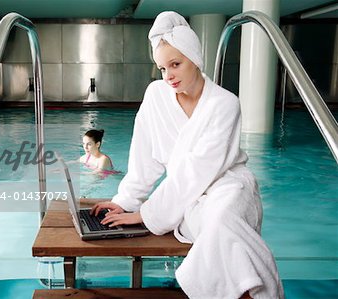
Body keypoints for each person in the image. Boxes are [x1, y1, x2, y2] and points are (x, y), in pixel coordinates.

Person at [91, 11, 284, 299]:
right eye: (162, 68)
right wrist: (126, 202)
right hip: (187, 199)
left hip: (228, 185)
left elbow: (197, 171)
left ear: (195, 58)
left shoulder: (224, 104)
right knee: (223, 235)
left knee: (222, 223)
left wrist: (146, 215)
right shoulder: (156, 96)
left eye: (175, 64)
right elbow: (144, 158)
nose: (168, 76)